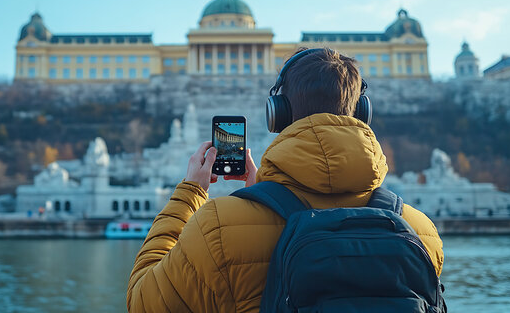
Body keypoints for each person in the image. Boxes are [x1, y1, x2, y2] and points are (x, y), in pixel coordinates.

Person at [127, 48, 444, 312]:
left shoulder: (218, 227)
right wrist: (263, 196)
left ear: (275, 114)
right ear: (362, 112)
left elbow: (143, 303)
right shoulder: (420, 230)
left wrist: (190, 192)